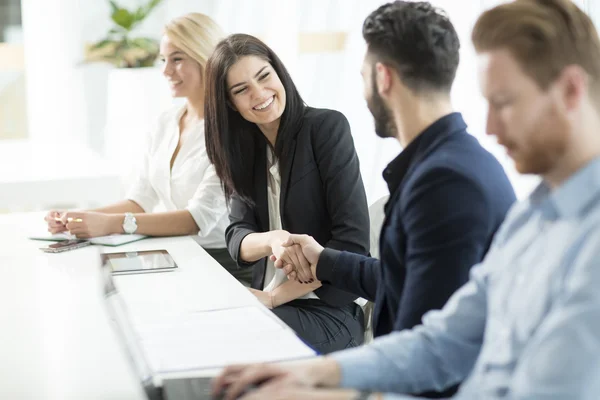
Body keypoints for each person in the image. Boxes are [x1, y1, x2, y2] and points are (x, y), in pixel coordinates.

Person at [212, 0, 600, 399]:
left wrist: (339, 391)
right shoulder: (533, 215)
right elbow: (441, 339)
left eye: (503, 103)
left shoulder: (454, 182)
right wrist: (317, 375)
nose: (489, 126)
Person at [275, 3, 514, 396]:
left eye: (363, 77)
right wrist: (324, 259)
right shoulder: (448, 163)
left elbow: (424, 356)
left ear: (383, 77)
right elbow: (405, 279)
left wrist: (317, 381)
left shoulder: (445, 181)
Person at [44, 13, 251, 283]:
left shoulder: (230, 131)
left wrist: (109, 224)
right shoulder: (166, 122)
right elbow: (141, 199)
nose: (165, 71)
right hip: (176, 253)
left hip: (222, 265)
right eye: (163, 60)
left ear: (207, 58)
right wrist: (80, 219)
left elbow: (196, 220)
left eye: (177, 59)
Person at [203, 33, 370, 354]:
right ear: (230, 103)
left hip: (330, 311)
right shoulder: (243, 153)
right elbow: (238, 236)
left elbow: (352, 245)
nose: (259, 93)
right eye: (241, 90)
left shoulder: (325, 129)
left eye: (264, 76)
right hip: (267, 302)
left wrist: (275, 297)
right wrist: (274, 239)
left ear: (278, 72)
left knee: (233, 342)